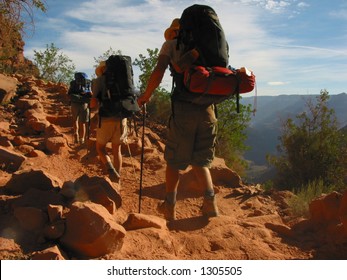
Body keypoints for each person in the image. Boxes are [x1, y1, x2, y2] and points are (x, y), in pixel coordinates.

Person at [137, 18, 219, 221]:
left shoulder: (171, 45)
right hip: (209, 109)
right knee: (201, 160)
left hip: (184, 109)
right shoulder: (210, 45)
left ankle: (170, 206)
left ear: (175, 32)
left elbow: (158, 71)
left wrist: (146, 95)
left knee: (173, 160)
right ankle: (210, 203)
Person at [90, 61, 127, 183]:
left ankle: (110, 169)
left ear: (103, 69)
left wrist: (91, 106)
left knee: (100, 147)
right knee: (117, 150)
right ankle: (117, 182)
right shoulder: (124, 79)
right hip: (122, 119)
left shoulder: (99, 81)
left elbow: (94, 103)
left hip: (106, 119)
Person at [68, 72, 92, 145]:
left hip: (75, 104)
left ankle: (77, 135)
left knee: (76, 120)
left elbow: (69, 94)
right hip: (83, 104)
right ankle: (82, 139)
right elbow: (90, 95)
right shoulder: (87, 83)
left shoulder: (73, 83)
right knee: (82, 122)